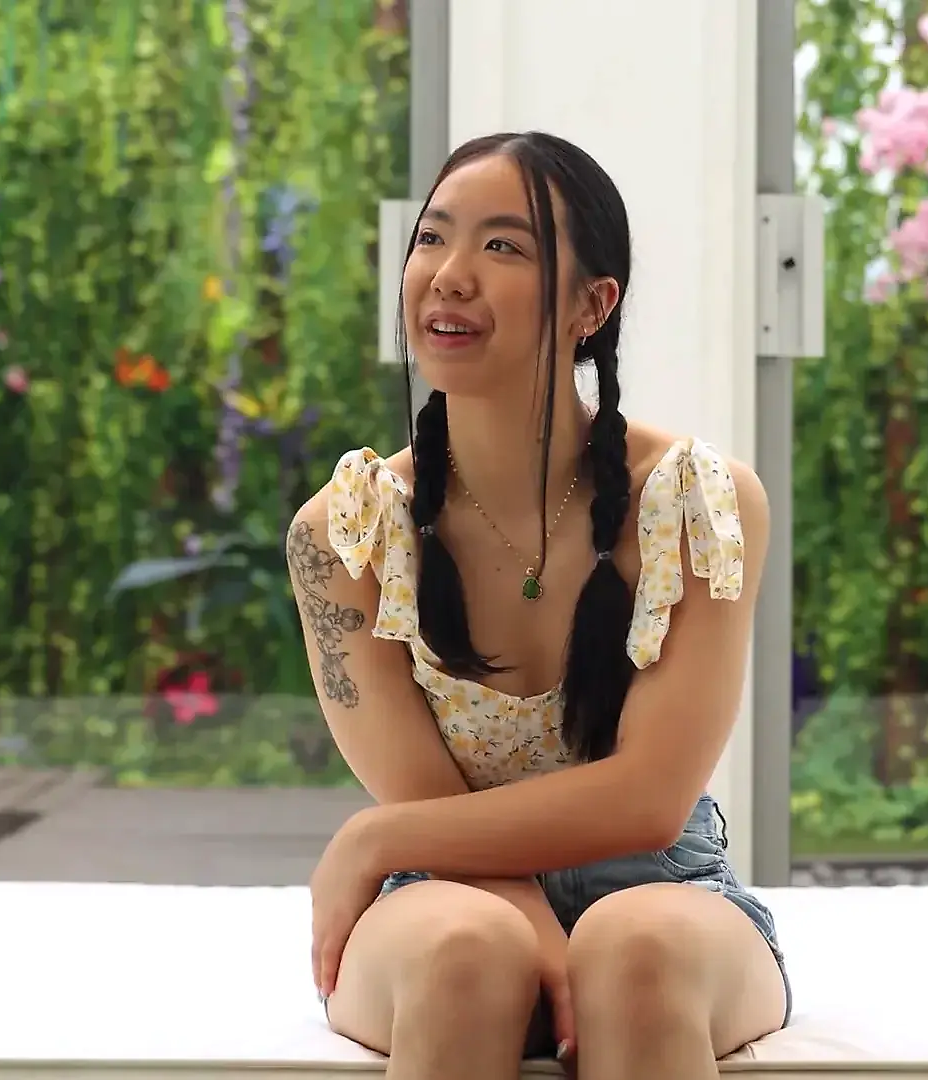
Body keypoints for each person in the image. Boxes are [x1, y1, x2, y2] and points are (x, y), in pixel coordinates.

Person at [285, 130, 789, 1080]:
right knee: (466, 956)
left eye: (503, 246)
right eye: (432, 238)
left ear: (593, 306)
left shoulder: (697, 502)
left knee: (635, 957)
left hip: (662, 887)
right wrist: (531, 933)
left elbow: (650, 799)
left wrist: (370, 837)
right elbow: (427, 804)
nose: (450, 276)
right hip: (445, 887)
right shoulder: (346, 534)